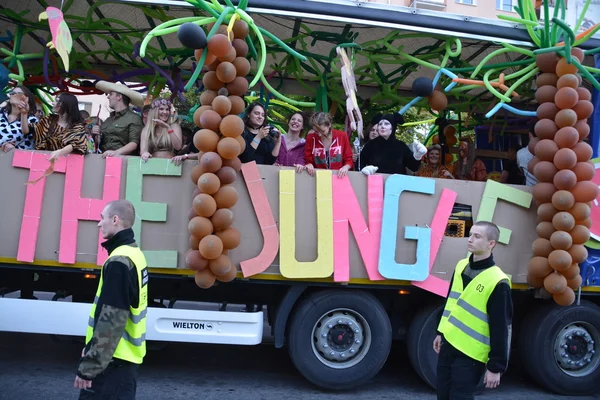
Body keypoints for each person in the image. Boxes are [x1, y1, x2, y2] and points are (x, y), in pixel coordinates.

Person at [75, 199, 148, 400]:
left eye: (102, 218)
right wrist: (90, 347)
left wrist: (89, 367)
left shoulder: (119, 262)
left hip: (111, 365)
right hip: (123, 363)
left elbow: (112, 319)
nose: (99, 223)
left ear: (115, 220)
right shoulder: (134, 253)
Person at [433, 221, 513, 400]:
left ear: (491, 244)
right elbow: (450, 302)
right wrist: (440, 331)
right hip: (449, 343)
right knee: (443, 395)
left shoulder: (497, 281)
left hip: (471, 354)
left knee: (460, 397)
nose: (470, 239)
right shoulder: (461, 265)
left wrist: (495, 367)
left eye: (477, 236)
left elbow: (501, 327)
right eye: (470, 234)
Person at [358, 113, 425, 175]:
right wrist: (363, 170)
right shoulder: (371, 145)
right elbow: (360, 162)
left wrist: (418, 156)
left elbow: (414, 167)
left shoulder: (401, 146)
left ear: (393, 126)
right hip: (375, 184)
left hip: (396, 184)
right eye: (380, 124)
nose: (382, 126)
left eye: (386, 124)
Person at [94, 81, 144, 158]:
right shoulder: (108, 120)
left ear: (119, 97)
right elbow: (101, 143)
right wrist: (96, 135)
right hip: (103, 160)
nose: (108, 97)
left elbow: (134, 143)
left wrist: (115, 152)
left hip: (124, 162)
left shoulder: (134, 118)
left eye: (111, 94)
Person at [32, 93, 88, 162]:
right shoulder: (48, 119)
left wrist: (59, 152)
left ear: (65, 104)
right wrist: (24, 114)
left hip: (65, 163)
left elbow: (76, 144)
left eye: (57, 101)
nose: (53, 103)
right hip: (42, 159)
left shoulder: (77, 126)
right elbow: (28, 130)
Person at [304, 111, 353, 178]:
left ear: (329, 125)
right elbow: (307, 159)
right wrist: (309, 164)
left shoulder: (342, 136)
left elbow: (348, 158)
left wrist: (346, 167)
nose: (319, 134)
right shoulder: (310, 138)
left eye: (322, 131)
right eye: (316, 131)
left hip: (338, 176)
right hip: (318, 177)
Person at [0, 85, 38, 152]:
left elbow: (30, 145)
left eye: (18, 93)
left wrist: (14, 148)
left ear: (26, 98)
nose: (13, 95)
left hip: (13, 159)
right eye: (12, 93)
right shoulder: (1, 113)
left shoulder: (32, 120)